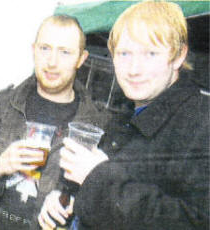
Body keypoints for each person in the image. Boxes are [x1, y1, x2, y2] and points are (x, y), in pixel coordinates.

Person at [39, 1, 209, 229]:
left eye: (150, 53)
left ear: (178, 56)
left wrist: (97, 178)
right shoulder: (126, 113)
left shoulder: (201, 125)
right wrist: (64, 198)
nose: (134, 69)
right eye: (124, 53)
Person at [0, 15, 110, 230]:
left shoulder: (97, 127)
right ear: (33, 50)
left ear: (81, 58)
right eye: (45, 48)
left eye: (65, 52)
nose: (52, 62)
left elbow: (103, 207)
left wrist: (71, 205)